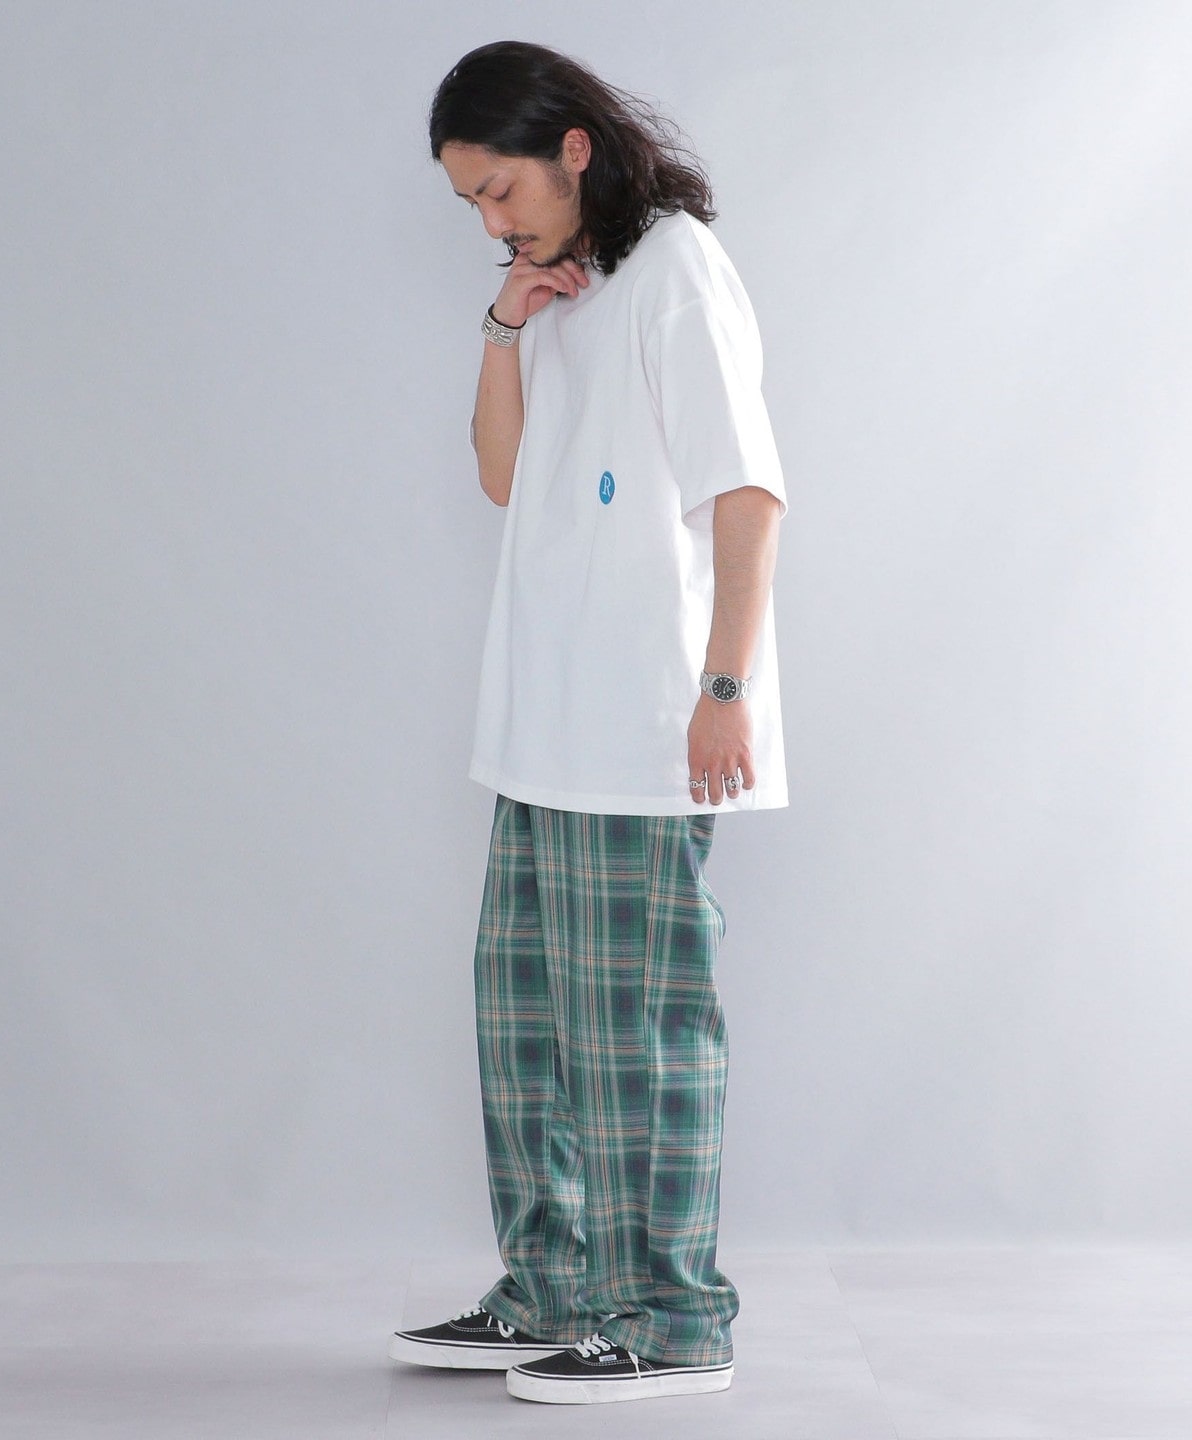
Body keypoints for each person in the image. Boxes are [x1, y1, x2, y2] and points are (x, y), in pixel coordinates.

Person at [390, 40, 788, 1406]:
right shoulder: (567, 289)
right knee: (530, 1032)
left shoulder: (677, 268)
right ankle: (553, 1293)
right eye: (471, 205)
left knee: (637, 1035)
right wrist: (507, 322)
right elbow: (505, 476)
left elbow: (747, 494)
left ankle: (673, 1323)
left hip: (640, 726)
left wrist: (724, 690)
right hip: (542, 727)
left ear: (574, 148)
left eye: (500, 190)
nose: (492, 222)